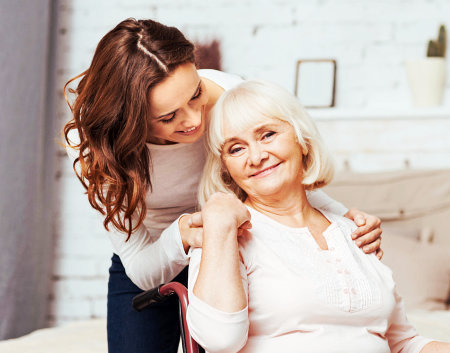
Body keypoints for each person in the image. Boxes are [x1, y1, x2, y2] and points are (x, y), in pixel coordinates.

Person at [63, 18, 384, 353]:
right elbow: (141, 267)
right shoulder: (98, 145)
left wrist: (344, 219)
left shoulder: (233, 98)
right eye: (168, 117)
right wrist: (182, 236)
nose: (194, 120)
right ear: (128, 119)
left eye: (196, 94)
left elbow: (277, 172)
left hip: (236, 247)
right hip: (151, 257)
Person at [186, 80, 450, 353]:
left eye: (267, 135)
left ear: (302, 140)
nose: (256, 156)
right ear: (226, 169)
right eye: (236, 148)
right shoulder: (225, 234)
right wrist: (219, 225)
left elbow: (405, 343)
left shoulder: (353, 232)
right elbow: (218, 340)